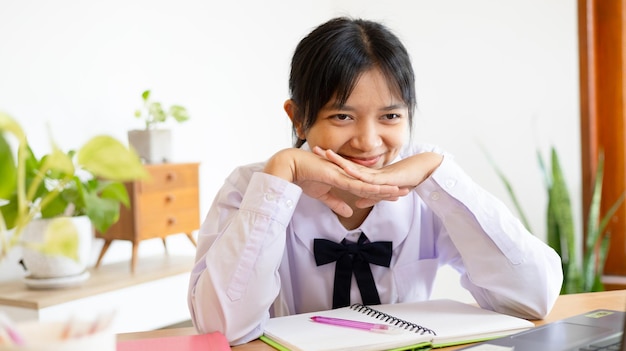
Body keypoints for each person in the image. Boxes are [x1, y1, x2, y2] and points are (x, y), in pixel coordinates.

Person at [187, 17, 563, 345]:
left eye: (390, 117)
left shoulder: (428, 185)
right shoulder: (252, 188)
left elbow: (533, 297)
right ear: (299, 118)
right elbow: (223, 328)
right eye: (342, 117)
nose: (368, 142)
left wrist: (439, 173)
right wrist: (280, 176)